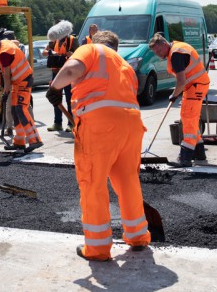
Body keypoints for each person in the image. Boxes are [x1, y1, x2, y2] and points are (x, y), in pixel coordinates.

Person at [49, 30, 151, 261]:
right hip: (132, 126)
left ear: (94, 42)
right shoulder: (124, 65)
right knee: (127, 180)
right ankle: (138, 236)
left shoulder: (90, 50)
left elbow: (71, 70)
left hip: (100, 127)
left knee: (93, 182)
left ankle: (97, 248)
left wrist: (54, 89)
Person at [149, 33, 210, 167]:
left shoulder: (176, 54)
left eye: (159, 50)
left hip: (196, 86)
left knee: (188, 118)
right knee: (190, 118)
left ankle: (185, 157)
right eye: (155, 52)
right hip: (195, 85)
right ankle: (199, 153)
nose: (158, 54)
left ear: (164, 44)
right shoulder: (177, 48)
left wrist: (174, 95)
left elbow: (181, 81)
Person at [0, 31, 43, 153]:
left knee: (21, 109)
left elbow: (7, 75)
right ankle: (19, 142)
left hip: (24, 80)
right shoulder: (4, 42)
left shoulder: (4, 53)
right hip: (18, 82)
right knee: (15, 111)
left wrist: (5, 92)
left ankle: (35, 140)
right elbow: (16, 42)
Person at [42, 20, 78, 132]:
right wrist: (47, 53)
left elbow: (79, 53)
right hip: (56, 72)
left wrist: (71, 54)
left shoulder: (73, 40)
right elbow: (44, 51)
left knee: (69, 98)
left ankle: (71, 123)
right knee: (56, 98)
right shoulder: (54, 40)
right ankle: (57, 123)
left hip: (67, 73)